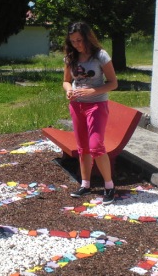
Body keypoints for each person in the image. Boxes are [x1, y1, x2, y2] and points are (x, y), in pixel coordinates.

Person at [63, 22, 118, 205]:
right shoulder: (70, 57)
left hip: (96, 105)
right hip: (77, 106)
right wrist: (68, 89)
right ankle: (85, 185)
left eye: (79, 40)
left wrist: (92, 92)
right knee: (83, 147)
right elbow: (66, 81)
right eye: (73, 41)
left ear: (87, 37)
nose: (77, 44)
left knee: (96, 146)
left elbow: (113, 83)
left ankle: (109, 186)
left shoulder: (100, 56)